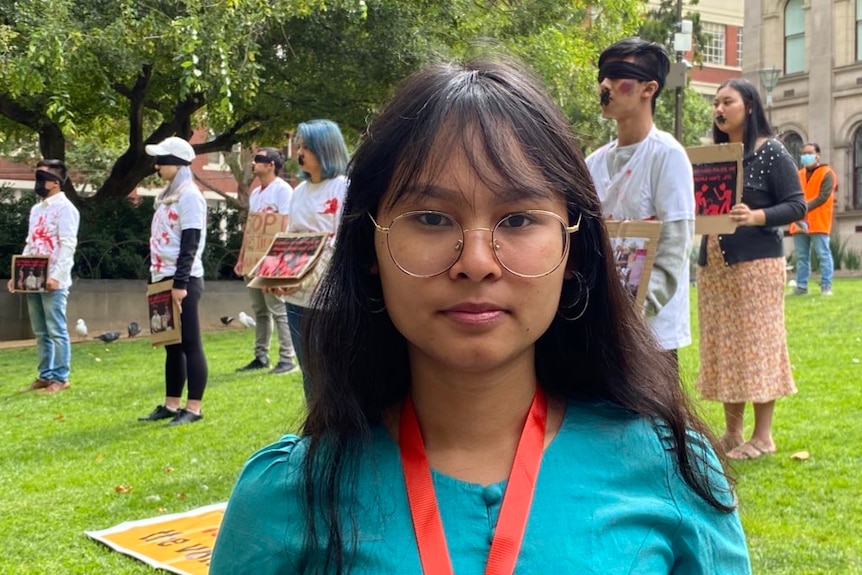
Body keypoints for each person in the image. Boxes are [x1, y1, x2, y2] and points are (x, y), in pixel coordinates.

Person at [211, 57, 750, 574]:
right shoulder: (288, 498)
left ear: (572, 250)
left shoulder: (672, 471)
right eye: (430, 217)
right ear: (369, 250)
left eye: (517, 219)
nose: (475, 263)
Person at [697, 78, 806, 460]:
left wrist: (756, 214)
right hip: (715, 266)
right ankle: (732, 433)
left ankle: (763, 436)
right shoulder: (717, 156)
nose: (719, 109)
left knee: (757, 344)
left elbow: (797, 206)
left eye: (727, 101)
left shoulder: (772, 151)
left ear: (750, 106)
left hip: (756, 266)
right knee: (727, 345)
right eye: (716, 103)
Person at [586, 37, 695, 373]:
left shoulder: (667, 155)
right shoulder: (593, 163)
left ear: (649, 89)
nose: (606, 85)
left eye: (618, 75)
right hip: (601, 322)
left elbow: (676, 244)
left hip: (652, 330)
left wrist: (637, 312)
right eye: (602, 76)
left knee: (652, 418)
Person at [267, 120, 349, 399]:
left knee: (332, 370)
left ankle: (341, 431)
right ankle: (315, 431)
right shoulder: (298, 193)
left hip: (330, 298)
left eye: (306, 147)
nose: (299, 153)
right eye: (298, 146)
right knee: (309, 370)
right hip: (297, 297)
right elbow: (289, 240)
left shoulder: (344, 188)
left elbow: (346, 241)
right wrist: (275, 275)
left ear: (325, 150)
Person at [138, 136, 209, 426]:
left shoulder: (190, 195)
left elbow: (190, 242)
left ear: (177, 163)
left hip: (184, 280)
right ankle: (171, 403)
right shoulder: (167, 195)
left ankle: (193, 408)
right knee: (171, 344)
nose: (157, 166)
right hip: (162, 276)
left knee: (190, 342)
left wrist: (180, 284)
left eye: (162, 160)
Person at [6, 159, 80, 394]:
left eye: (42, 178)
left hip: (53, 281)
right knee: (40, 330)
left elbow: (68, 245)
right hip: (32, 278)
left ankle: (61, 376)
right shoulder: (36, 209)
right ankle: (45, 375)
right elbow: (31, 242)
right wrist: (17, 275)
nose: (37, 183)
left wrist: (56, 277)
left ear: (56, 182)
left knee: (56, 329)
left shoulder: (67, 209)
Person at [233, 147, 298, 374]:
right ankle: (261, 357)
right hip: (253, 259)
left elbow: (285, 226)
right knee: (260, 310)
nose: (254, 162)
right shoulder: (255, 193)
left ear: (271, 165)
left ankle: (287, 359)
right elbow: (251, 229)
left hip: (272, 260)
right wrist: (242, 257)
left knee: (278, 309)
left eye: (259, 159)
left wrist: (279, 260)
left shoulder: (283, 191)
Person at [789, 142, 837, 296]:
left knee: (823, 254)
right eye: (803, 153)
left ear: (817, 155)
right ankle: (801, 287)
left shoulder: (827, 173)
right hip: (798, 221)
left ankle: (826, 286)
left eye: (809, 153)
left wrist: (801, 208)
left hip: (818, 220)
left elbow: (823, 197)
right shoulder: (798, 174)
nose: (805, 156)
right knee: (802, 256)